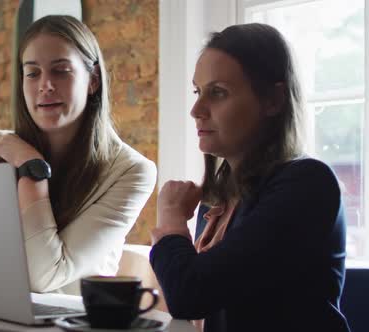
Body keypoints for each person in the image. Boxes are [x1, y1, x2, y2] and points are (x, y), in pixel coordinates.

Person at [149, 23, 350, 332]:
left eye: (217, 93)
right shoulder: (220, 197)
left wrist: (172, 222)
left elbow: (190, 295)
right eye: (197, 91)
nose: (196, 109)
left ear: (273, 100)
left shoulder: (308, 184)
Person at [0, 15, 157, 294]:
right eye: (32, 73)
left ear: (93, 80)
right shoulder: (1, 153)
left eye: (60, 70)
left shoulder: (132, 171)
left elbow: (45, 276)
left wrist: (31, 167)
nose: (45, 85)